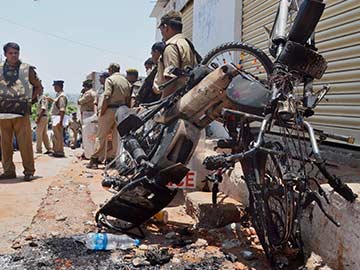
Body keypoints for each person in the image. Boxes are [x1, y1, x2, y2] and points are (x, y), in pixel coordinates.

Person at [0, 42, 43, 181]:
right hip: (3, 113)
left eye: (16, 53)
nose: (14, 55)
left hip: (21, 112)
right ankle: (8, 171)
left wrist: (30, 100)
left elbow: (38, 87)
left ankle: (29, 171)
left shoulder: (27, 69)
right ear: (5, 54)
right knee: (5, 143)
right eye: (11, 53)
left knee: (25, 143)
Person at [87, 63, 131, 169]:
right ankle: (113, 160)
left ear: (111, 70)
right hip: (122, 110)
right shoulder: (126, 81)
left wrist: (102, 111)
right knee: (117, 137)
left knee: (101, 135)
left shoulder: (110, 80)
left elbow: (106, 96)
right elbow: (128, 98)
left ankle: (95, 159)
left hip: (109, 109)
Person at [154, 11, 200, 98]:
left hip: (176, 99)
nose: (162, 33)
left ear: (166, 27)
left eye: (161, 30)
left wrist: (163, 106)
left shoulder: (171, 46)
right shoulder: (186, 43)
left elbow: (170, 79)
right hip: (188, 95)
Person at [48, 80, 68, 158]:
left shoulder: (62, 96)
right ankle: (56, 150)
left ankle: (59, 151)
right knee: (55, 135)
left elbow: (62, 109)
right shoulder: (58, 95)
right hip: (56, 117)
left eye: (55, 86)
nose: (54, 88)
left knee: (58, 135)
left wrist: (60, 121)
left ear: (59, 86)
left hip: (58, 117)